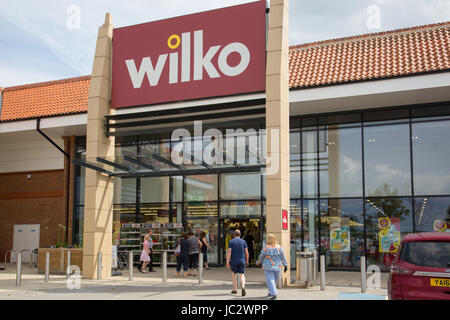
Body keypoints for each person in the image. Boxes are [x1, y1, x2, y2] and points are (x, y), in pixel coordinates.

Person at [256, 234, 288, 300]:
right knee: (274, 280)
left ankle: (274, 293)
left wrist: (258, 262)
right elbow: (283, 256)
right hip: (277, 266)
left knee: (270, 280)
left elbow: (261, 256)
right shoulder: (279, 247)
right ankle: (271, 292)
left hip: (267, 266)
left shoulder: (266, 248)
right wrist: (285, 265)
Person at [226, 229, 249, 296]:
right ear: (240, 234)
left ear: (234, 234)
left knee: (234, 275)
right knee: (242, 275)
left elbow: (229, 251)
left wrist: (227, 261)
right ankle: (243, 287)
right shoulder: (243, 242)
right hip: (242, 260)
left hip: (234, 261)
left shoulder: (231, 242)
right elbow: (246, 252)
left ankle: (235, 289)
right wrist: (247, 260)